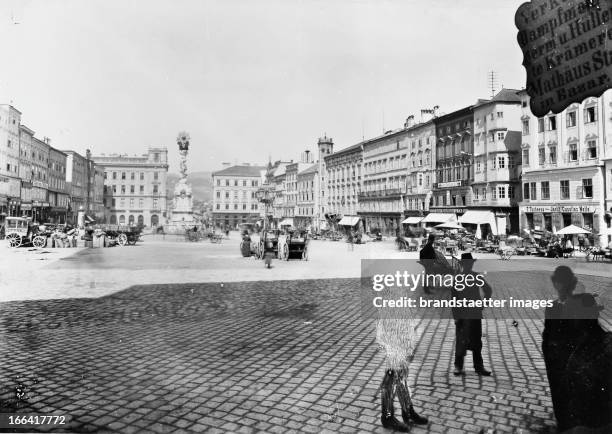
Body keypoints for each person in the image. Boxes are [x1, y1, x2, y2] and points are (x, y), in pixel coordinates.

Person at [542, 266, 611, 432]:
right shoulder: (585, 300)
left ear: (556, 283)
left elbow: (548, 335)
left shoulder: (555, 306)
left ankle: (566, 422)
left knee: (562, 390)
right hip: (575, 354)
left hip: (562, 354)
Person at [452, 253, 492, 376]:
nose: (468, 265)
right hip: (464, 314)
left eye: (470, 264)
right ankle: (459, 366)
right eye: (467, 264)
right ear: (463, 264)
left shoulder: (475, 277)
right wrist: (456, 316)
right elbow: (454, 299)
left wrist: (482, 304)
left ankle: (478, 366)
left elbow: (488, 290)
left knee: (476, 341)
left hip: (474, 313)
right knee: (461, 340)